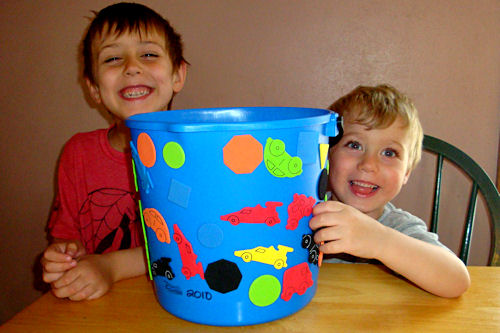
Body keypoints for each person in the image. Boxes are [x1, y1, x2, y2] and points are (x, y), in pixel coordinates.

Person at [41, 2, 187, 301]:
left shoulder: (200, 156)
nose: (132, 66)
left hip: (181, 299)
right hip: (100, 308)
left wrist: (112, 267)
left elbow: (190, 247)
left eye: (148, 54)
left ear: (177, 76)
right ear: (94, 88)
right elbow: (66, 236)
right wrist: (65, 255)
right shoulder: (77, 154)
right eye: (113, 58)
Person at [310, 84, 470, 298]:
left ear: (406, 173)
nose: (368, 164)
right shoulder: (305, 215)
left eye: (389, 152)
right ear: (327, 155)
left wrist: (380, 241)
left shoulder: (397, 227)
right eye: (354, 145)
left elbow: (457, 281)